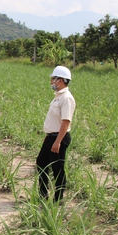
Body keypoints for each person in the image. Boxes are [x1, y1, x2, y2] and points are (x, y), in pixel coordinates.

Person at [36, 65, 76, 202]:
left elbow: (66, 122)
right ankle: (43, 194)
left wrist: (58, 141)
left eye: (54, 78)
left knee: (58, 169)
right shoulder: (58, 97)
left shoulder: (67, 98)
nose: (51, 81)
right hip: (51, 137)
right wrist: (47, 138)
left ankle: (58, 199)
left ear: (61, 80)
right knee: (41, 163)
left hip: (59, 137)